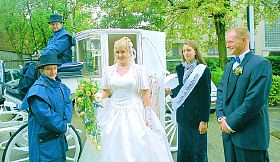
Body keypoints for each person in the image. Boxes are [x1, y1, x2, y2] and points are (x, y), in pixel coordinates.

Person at [79, 37, 173, 162]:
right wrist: (98, 96)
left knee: (141, 142)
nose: (120, 55)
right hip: (112, 111)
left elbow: (145, 93)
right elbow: (106, 90)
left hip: (135, 111)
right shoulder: (110, 70)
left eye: (123, 52)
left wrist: (148, 114)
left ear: (129, 52)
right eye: (117, 52)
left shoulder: (139, 70)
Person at [216, 27, 272, 162]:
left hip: (250, 137)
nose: (227, 45)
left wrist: (230, 124)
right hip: (229, 137)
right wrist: (221, 116)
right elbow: (221, 92)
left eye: (231, 42)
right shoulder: (230, 66)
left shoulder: (261, 64)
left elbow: (254, 102)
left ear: (244, 40)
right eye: (226, 42)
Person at [20, 54, 73, 162]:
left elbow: (68, 104)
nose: (53, 72)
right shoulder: (37, 91)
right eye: (49, 69)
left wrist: (66, 122)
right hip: (44, 140)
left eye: (55, 68)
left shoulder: (61, 87)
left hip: (57, 137)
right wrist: (63, 126)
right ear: (42, 71)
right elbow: (45, 116)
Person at [165, 40, 211, 162]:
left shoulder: (203, 70)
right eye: (184, 51)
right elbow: (182, 86)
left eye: (188, 50)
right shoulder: (180, 68)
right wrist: (172, 91)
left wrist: (204, 120)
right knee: (184, 150)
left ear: (195, 52)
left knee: (198, 151)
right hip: (183, 116)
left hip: (196, 117)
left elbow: (206, 96)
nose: (186, 53)